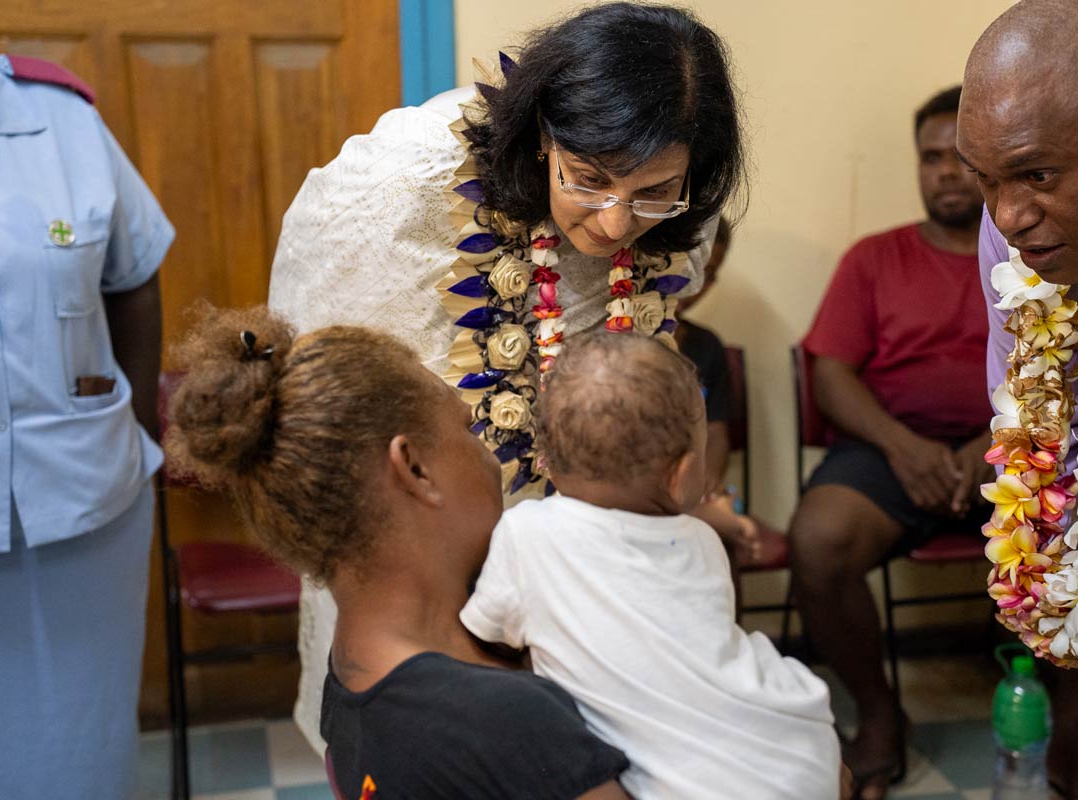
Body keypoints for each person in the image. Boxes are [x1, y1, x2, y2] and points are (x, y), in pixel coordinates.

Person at [267, 2, 752, 750]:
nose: (617, 223)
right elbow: (327, 383)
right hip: (415, 526)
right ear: (540, 137)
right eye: (588, 177)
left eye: (654, 191)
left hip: (578, 551)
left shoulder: (681, 210)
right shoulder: (402, 188)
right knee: (433, 741)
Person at [163, 305, 631, 799]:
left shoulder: (351, 677)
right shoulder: (504, 718)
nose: (487, 455)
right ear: (414, 468)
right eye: (469, 430)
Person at [460, 332, 845, 800]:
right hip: (794, 753)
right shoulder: (704, 542)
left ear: (549, 464)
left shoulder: (525, 534)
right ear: (683, 476)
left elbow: (487, 636)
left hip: (682, 782)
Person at [0, 0, 173, 796]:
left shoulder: (61, 120)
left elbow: (134, 273)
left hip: (85, 516)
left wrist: (140, 433)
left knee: (82, 759)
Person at [957, 1, 1078, 797]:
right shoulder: (1017, 234)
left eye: (1037, 174)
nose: (1008, 217)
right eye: (984, 180)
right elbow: (1050, 434)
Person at [787, 86, 992, 799]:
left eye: (960, 159)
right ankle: (878, 714)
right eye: (930, 158)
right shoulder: (874, 259)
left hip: (1010, 455)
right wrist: (906, 449)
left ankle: (1065, 741)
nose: (943, 172)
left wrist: (988, 443)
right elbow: (833, 376)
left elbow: (1063, 374)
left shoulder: (1038, 257)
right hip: (886, 451)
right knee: (818, 539)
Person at [676, 215, 734, 494]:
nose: (694, 284)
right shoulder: (618, 335)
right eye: (687, 265)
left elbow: (716, 431)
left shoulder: (707, 346)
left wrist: (707, 482)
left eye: (708, 273)